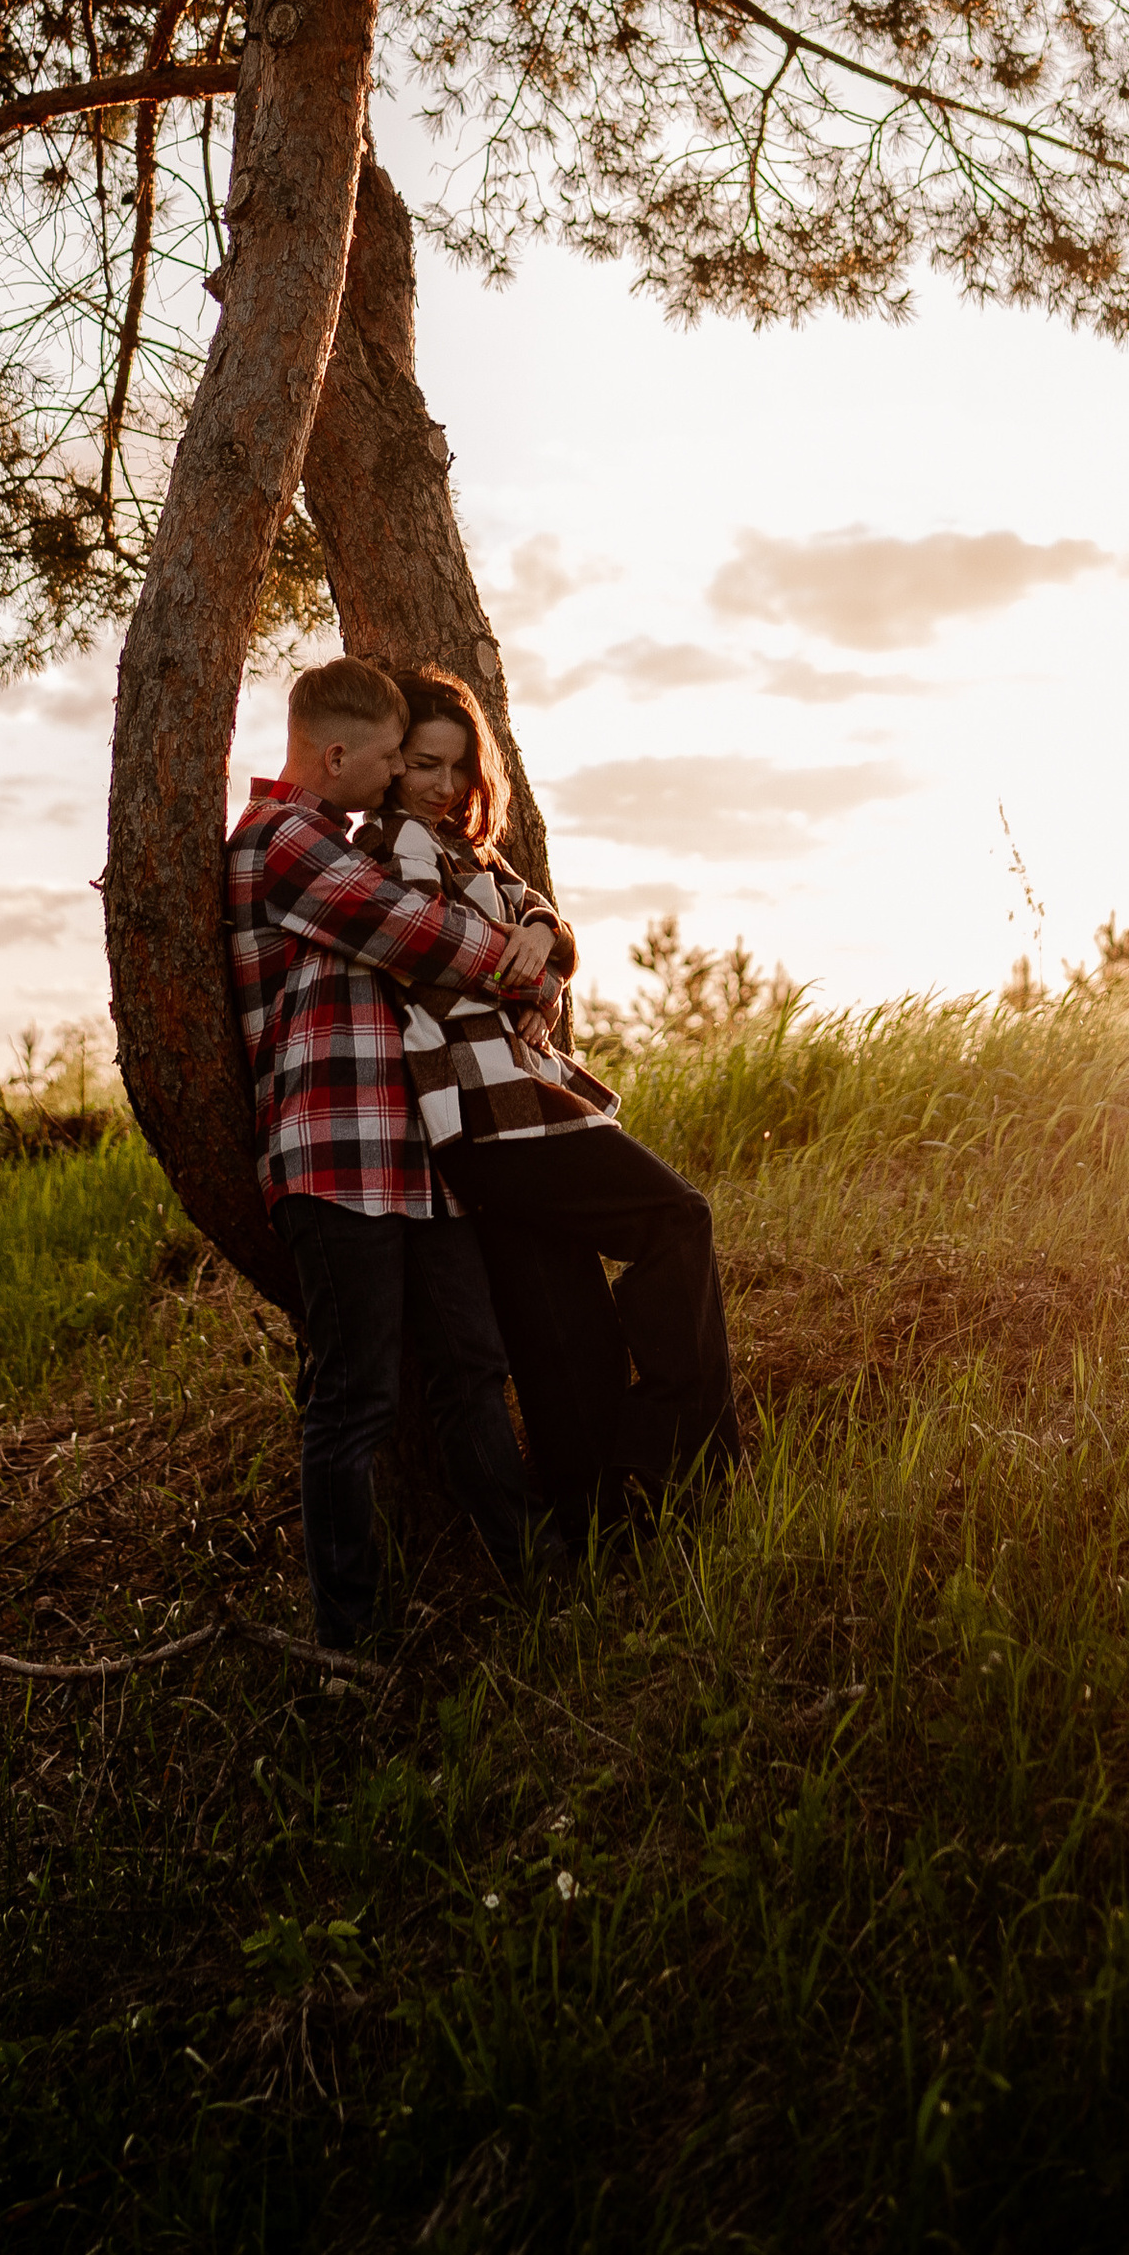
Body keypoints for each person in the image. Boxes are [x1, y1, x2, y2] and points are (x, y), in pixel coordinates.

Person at [224, 653, 572, 1651]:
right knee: (355, 1399)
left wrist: (542, 929)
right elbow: (423, 936)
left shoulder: (345, 841)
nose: (395, 780)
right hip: (332, 1153)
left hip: (421, 1154)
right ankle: (349, 1635)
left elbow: (490, 902)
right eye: (388, 761)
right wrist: (520, 961)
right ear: (336, 754)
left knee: (469, 1364)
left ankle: (529, 1577)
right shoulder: (282, 841)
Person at [353, 669, 743, 1529]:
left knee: (562, 1320)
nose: (444, 786)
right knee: (675, 1218)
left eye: (458, 769)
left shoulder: (467, 851)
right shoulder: (388, 847)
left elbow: (545, 922)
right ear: (390, 764)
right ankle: (684, 1447)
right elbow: (437, 955)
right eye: (423, 764)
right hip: (489, 1108)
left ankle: (598, 1518)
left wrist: (542, 938)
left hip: (504, 1108)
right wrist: (527, 967)